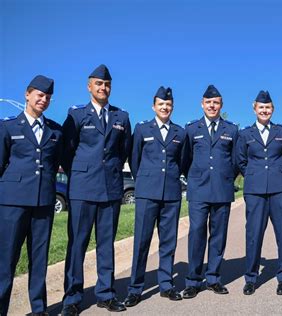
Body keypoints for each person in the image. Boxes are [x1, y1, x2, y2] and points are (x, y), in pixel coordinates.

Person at [61, 64, 132, 315]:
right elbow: (66, 152)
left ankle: (106, 293)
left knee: (106, 244)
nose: (103, 88)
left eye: (107, 84)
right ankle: (72, 298)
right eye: (99, 84)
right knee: (77, 244)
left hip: (110, 189)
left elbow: (123, 150)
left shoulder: (121, 117)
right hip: (82, 189)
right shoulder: (77, 115)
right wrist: (81, 173)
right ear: (89, 86)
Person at [0, 75, 62, 316]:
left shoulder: (55, 131)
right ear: (27, 94)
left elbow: (55, 163)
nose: (43, 99)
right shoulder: (7, 126)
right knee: (6, 261)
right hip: (12, 203)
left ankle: (39, 310)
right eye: (39, 94)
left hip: (43, 204)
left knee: (39, 261)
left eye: (48, 97)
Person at [123, 86, 185, 307]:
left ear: (172, 107)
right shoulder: (142, 129)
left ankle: (166, 284)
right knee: (141, 241)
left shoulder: (180, 132)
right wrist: (144, 181)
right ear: (154, 106)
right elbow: (134, 159)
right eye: (161, 104)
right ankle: (135, 288)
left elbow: (183, 161)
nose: (165, 108)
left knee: (168, 242)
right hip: (147, 193)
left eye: (168, 105)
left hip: (171, 194)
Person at [181, 85, 239, 299]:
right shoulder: (191, 129)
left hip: (222, 190)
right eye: (208, 102)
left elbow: (235, 161)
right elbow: (184, 160)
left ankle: (213, 278)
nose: (212, 106)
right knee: (196, 233)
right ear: (202, 104)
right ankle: (193, 281)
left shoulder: (231, 130)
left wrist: (225, 178)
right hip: (198, 190)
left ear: (221, 105)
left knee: (218, 235)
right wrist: (195, 178)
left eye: (216, 103)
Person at [236, 90, 282, 295]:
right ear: (254, 109)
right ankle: (251, 277)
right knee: (253, 235)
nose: (264, 111)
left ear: (273, 109)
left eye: (268, 108)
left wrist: (278, 175)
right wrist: (254, 175)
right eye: (261, 107)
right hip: (255, 191)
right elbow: (241, 160)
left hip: (280, 189)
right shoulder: (245, 134)